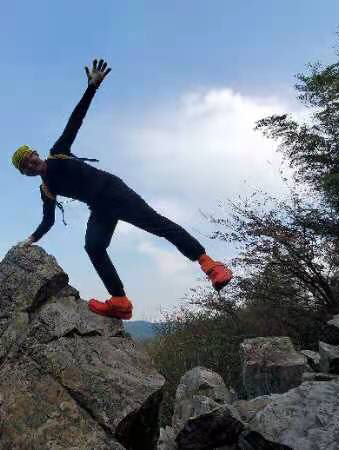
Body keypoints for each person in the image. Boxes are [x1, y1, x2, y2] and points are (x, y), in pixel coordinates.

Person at [12, 59, 232, 320]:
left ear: (36, 154)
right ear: (26, 174)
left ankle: (210, 265)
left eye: (30, 158)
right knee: (93, 246)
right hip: (100, 208)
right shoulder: (47, 189)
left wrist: (92, 87)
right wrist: (30, 240)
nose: (31, 164)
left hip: (115, 192)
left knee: (159, 225)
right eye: (26, 166)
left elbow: (76, 120)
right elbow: (48, 220)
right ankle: (120, 301)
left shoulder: (58, 153)